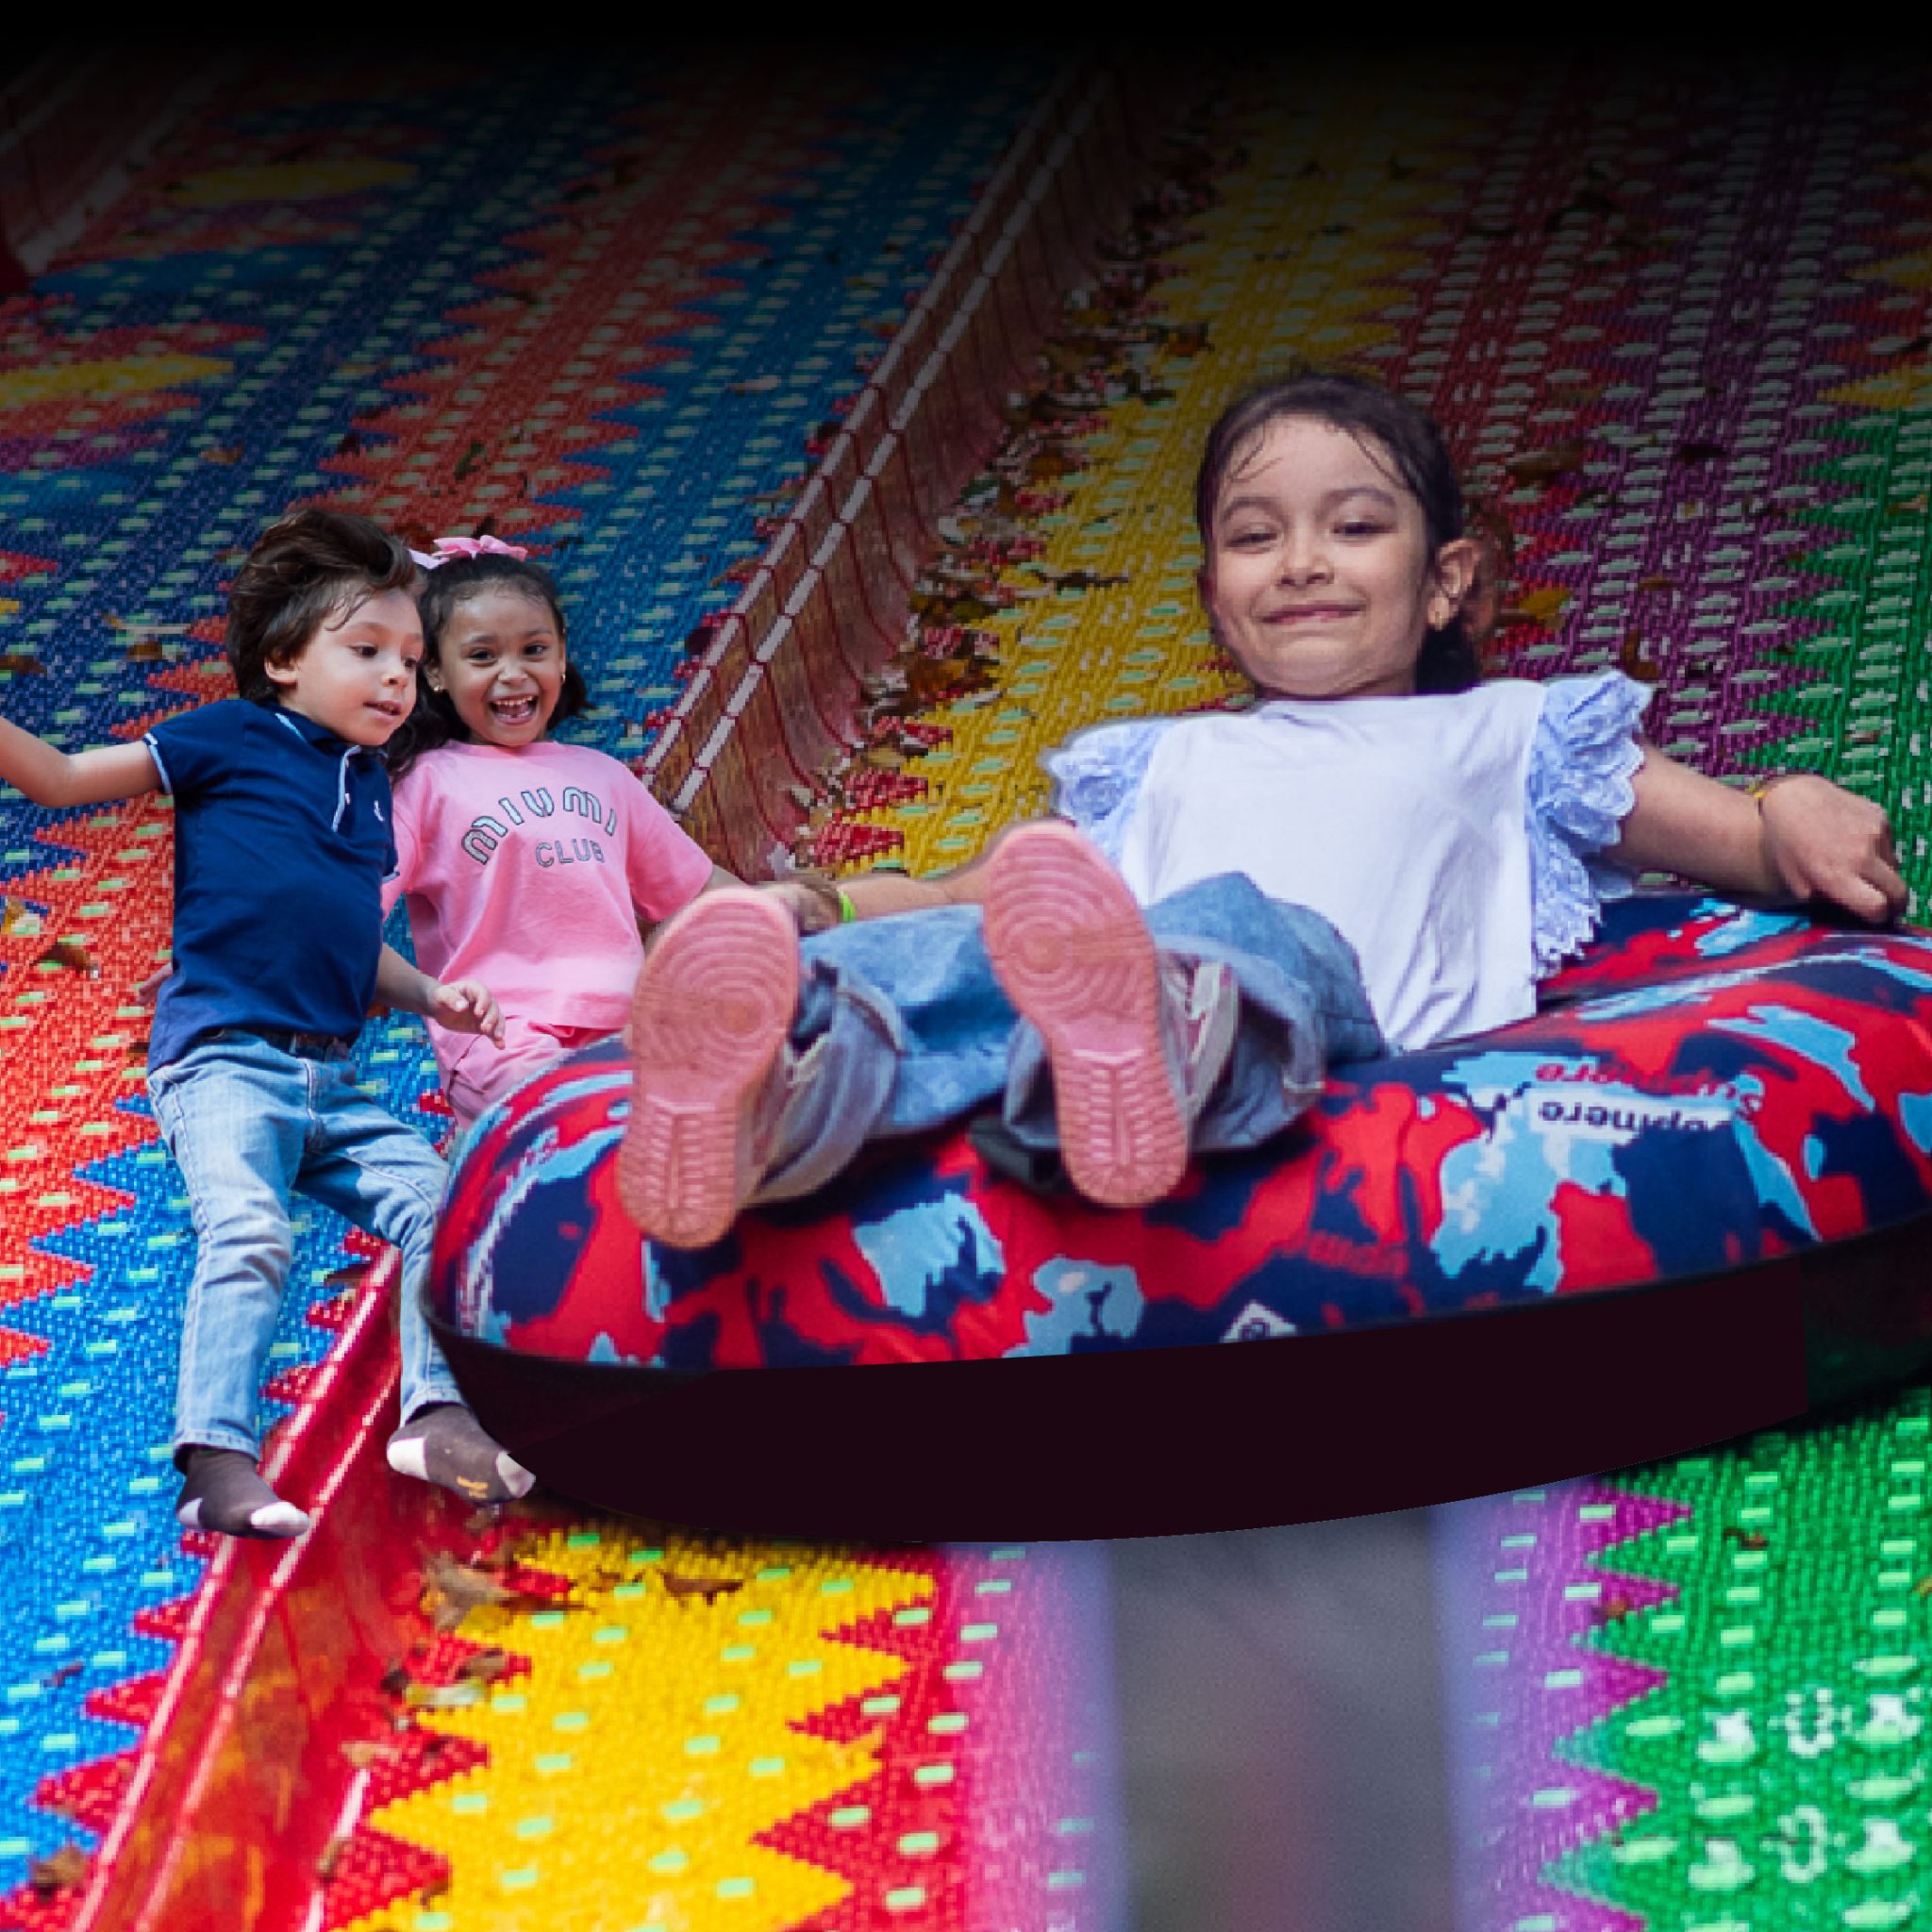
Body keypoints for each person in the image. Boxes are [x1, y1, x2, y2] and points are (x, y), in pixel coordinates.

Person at [616, 370, 1907, 1249]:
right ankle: (785, 1088)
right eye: (1255, 536)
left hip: (1340, 1044)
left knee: (1241, 920)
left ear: (1446, 580)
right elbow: (966, 903)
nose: (1300, 562)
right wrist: (810, 909)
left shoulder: (1508, 731)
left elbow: (1734, 839)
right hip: (1112, 1021)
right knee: (980, 927)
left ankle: (1163, 1041)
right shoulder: (1160, 763)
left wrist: (1790, 804)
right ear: (1212, 596)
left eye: (1353, 527)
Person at [0, 509, 535, 1540]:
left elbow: (340, 934)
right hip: (226, 1058)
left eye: (412, 662)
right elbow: (61, 779)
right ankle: (216, 1459)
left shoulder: (371, 787)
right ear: (284, 660)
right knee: (247, 1231)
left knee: (450, 1205)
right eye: (367, 651)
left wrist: (430, 994)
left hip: (330, 1077)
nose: (397, 680)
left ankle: (433, 1412)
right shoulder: (230, 736)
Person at [382, 536, 857, 1131]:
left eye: (534, 648)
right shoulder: (423, 784)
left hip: (634, 1032)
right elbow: (353, 915)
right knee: (596, 1129)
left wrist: (789, 929)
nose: (513, 673)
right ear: (436, 674)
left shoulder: (602, 776)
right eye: (482, 656)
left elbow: (700, 891)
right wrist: (425, 995)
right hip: (505, 1041)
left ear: (561, 658)